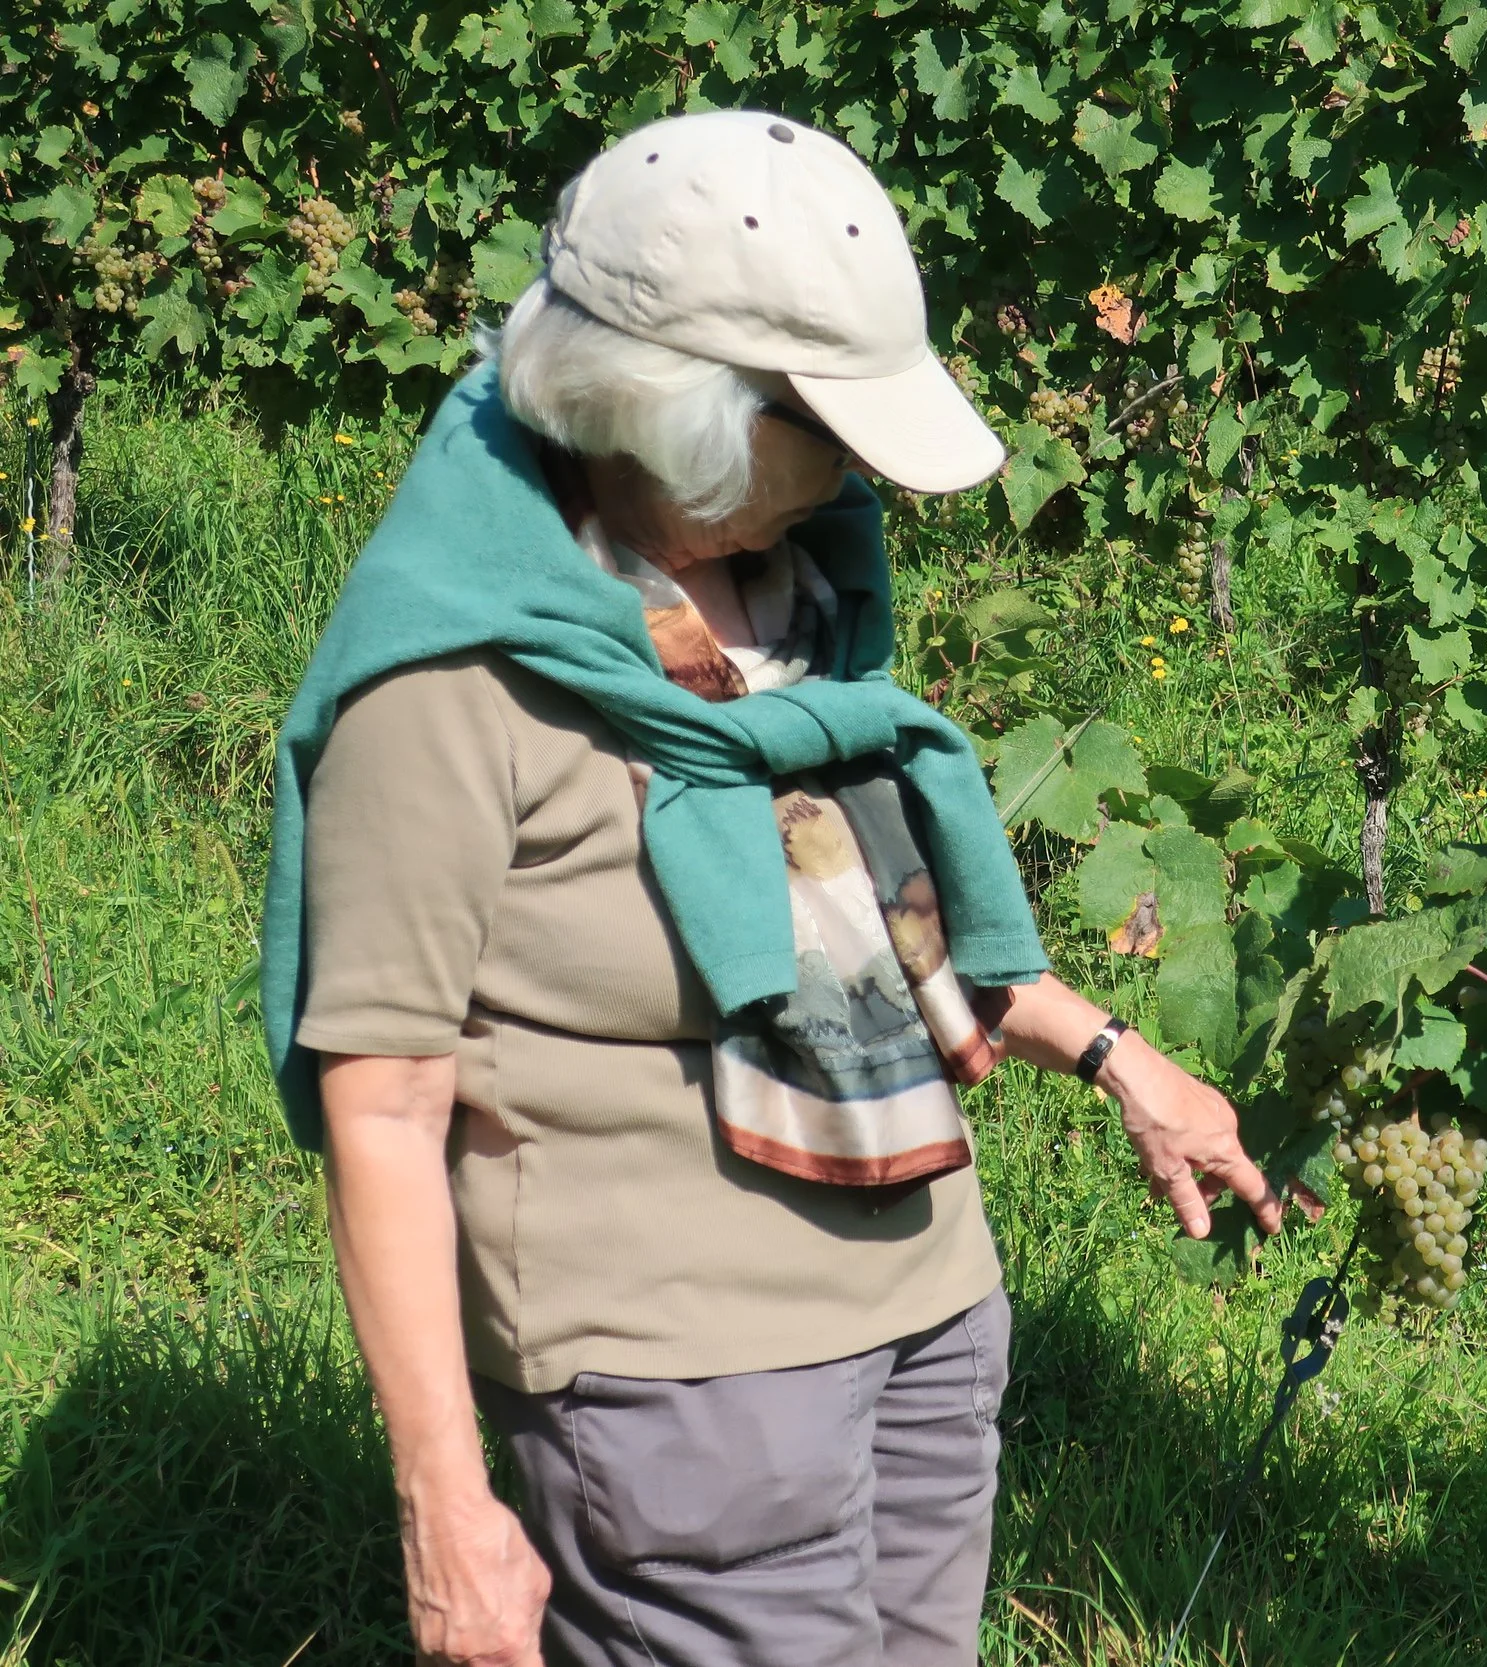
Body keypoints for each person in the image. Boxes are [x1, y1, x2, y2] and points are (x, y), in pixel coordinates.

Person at [259, 111, 1282, 1667]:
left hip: (925, 1307)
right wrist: (445, 1506)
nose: (868, 472)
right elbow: (383, 1101)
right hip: (682, 1393)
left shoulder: (801, 586)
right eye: (830, 429)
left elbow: (873, 911)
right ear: (681, 421)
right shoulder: (460, 680)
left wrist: (1120, 1058)